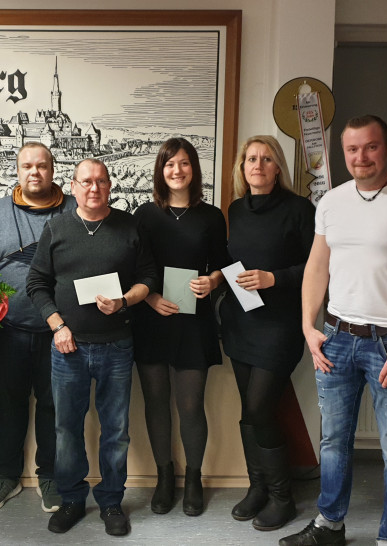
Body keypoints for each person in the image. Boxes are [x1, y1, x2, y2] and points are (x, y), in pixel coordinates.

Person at [280, 115, 387, 546]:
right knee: (334, 441)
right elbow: (318, 267)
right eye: (353, 149)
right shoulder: (332, 202)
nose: (362, 157)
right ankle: (329, 527)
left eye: (371, 147)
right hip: (335, 338)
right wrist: (308, 326)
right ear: (344, 153)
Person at [26, 158, 157, 537]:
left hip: (117, 345)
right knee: (67, 429)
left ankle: (112, 501)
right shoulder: (57, 227)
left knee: (116, 430)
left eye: (101, 181)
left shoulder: (130, 227)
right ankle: (71, 499)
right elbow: (37, 283)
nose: (94, 188)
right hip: (69, 348)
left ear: (110, 184)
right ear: (73, 185)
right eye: (86, 182)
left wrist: (125, 301)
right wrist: (58, 325)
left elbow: (148, 277)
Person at [0, 142, 75, 514]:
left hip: (60, 333)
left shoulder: (76, 211)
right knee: (9, 404)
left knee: (52, 406)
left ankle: (50, 478)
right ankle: (6, 478)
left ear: (53, 168)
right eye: (27, 166)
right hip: (7, 330)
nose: (35, 172)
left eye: (42, 166)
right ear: (17, 170)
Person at [220, 135, 315, 531]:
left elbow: (316, 269)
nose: (257, 165)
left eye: (266, 159)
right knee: (248, 409)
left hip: (280, 326)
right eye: (251, 159)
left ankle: (282, 497)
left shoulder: (300, 209)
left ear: (278, 168)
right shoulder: (236, 209)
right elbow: (232, 261)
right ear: (242, 168)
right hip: (241, 322)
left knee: (261, 408)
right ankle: (258, 487)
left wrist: (273, 278)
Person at [132, 137, 229, 516]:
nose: (177, 170)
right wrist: (151, 298)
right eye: (170, 164)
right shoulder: (144, 215)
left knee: (190, 406)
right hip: (152, 319)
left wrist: (213, 282)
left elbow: (224, 264)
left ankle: (193, 478)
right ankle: (163, 476)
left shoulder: (211, 216)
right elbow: (136, 268)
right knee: (156, 403)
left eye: (184, 163)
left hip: (194, 322)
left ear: (194, 169)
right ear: (160, 170)